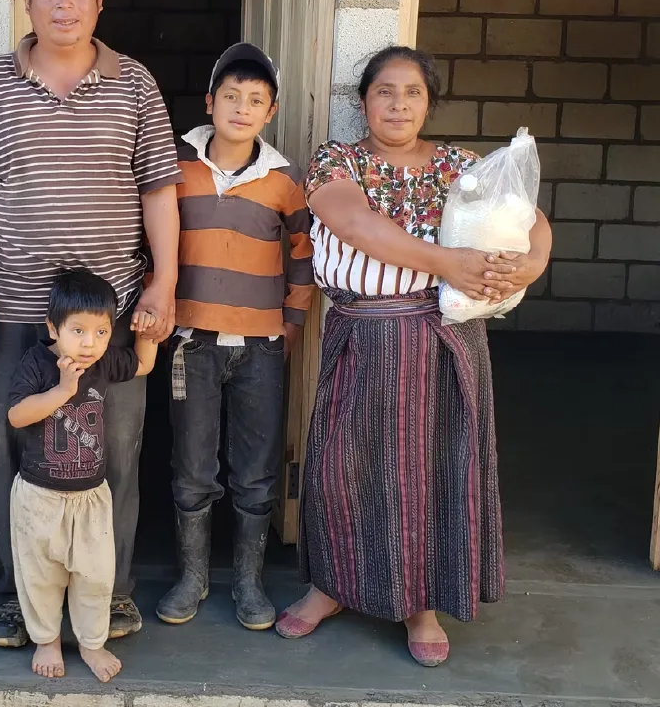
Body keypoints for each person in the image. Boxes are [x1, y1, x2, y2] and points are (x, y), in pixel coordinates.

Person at [0, 0, 181, 647]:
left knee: (114, 454)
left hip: (112, 317)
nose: (64, 4)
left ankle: (111, 595)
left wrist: (162, 286)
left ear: (100, 0)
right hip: (12, 311)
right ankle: (17, 598)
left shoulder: (134, 83)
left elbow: (160, 191)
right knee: (16, 456)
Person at [277, 46, 552, 666]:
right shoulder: (337, 161)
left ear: (429, 103)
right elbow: (352, 225)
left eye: (412, 93)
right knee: (343, 466)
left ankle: (420, 603)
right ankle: (331, 587)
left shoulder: (462, 166)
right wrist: (448, 263)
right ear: (363, 101)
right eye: (384, 92)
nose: (398, 104)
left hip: (443, 345)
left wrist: (530, 265)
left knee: (429, 471)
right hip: (362, 338)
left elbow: (530, 218)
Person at [155, 44, 314, 632]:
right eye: (231, 98)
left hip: (261, 348)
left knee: (255, 467)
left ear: (269, 112)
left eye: (255, 101)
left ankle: (249, 582)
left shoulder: (283, 181)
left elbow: (304, 256)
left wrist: (292, 323)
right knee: (193, 464)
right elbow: (151, 241)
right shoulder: (175, 166)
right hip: (189, 343)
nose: (241, 109)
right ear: (209, 103)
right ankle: (192, 578)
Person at [8, 270, 159, 682]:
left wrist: (146, 325)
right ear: (52, 328)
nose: (89, 343)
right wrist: (60, 391)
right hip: (39, 496)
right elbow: (17, 414)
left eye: (101, 332)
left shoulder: (104, 361)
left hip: (91, 496)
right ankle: (47, 639)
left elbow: (144, 362)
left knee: (95, 574)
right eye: (77, 330)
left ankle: (92, 643)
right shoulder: (38, 362)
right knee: (41, 575)